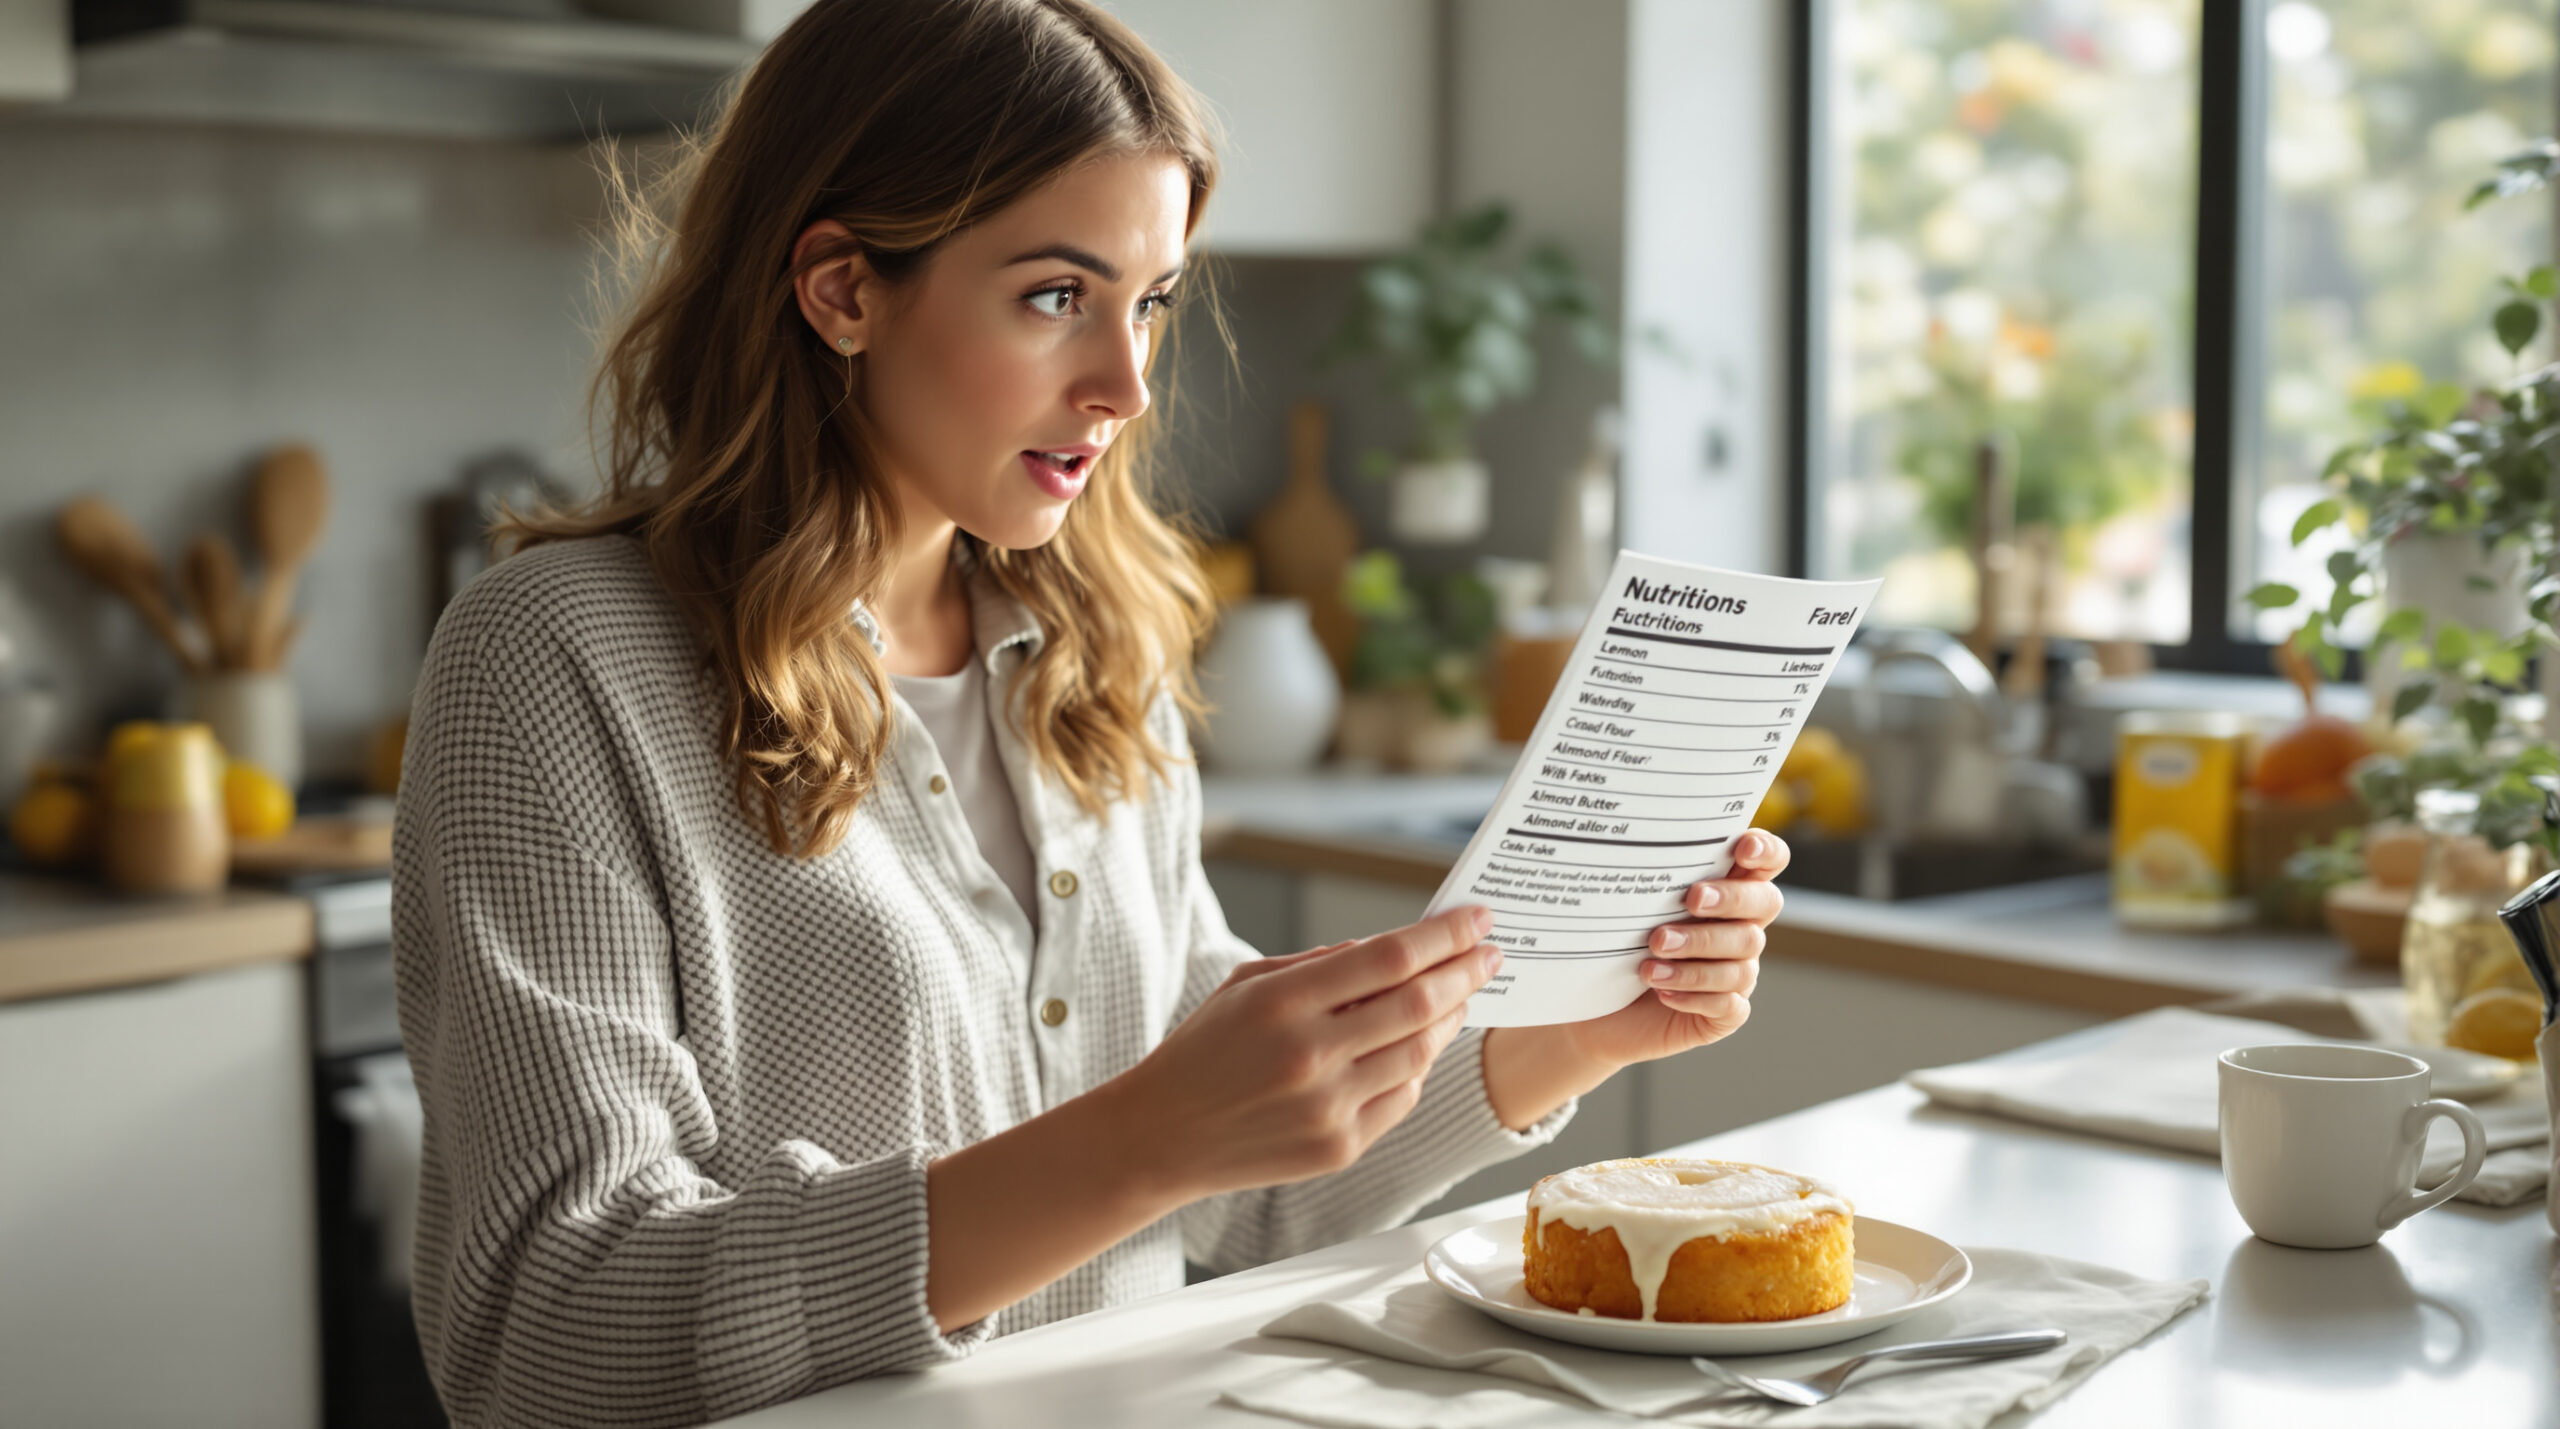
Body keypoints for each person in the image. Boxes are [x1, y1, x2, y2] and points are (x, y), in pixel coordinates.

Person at [389, 1, 1788, 1425]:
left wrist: (1575, 1027)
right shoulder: (556, 660)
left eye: (1152, 300)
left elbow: (1240, 1197)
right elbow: (553, 1335)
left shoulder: (1089, 643)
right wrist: (1140, 1140)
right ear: (842, 288)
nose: (1124, 384)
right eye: (1058, 294)